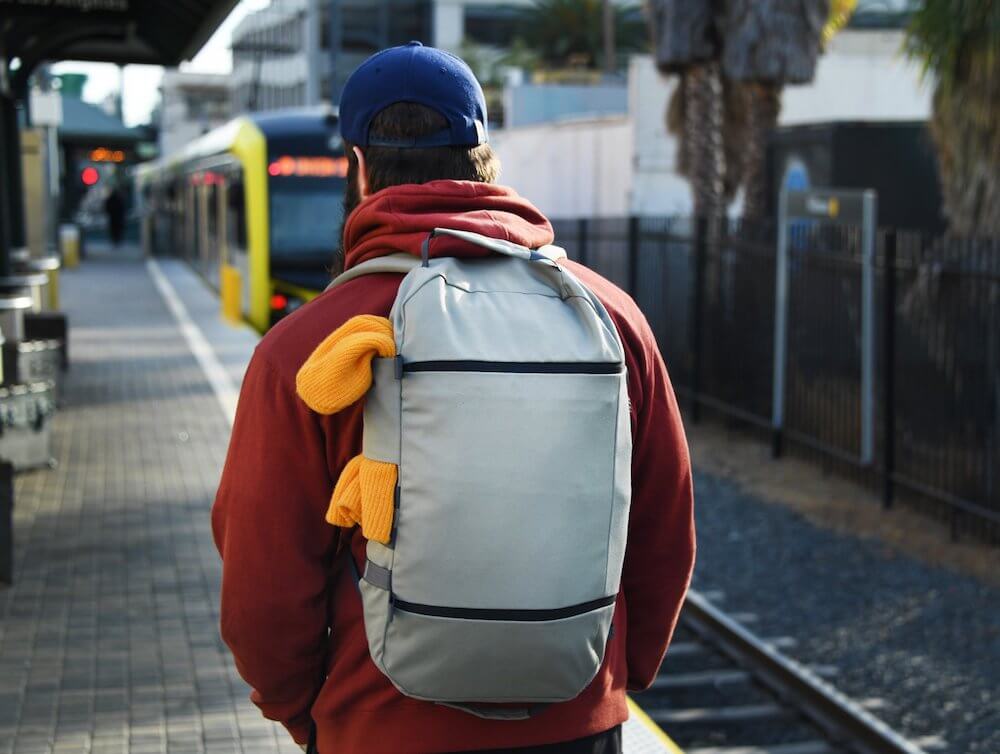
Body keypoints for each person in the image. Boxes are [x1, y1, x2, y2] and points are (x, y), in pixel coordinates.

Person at [212, 42, 695, 754]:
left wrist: (310, 715)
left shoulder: (303, 347)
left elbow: (263, 587)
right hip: (578, 725)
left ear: (359, 167)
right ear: (485, 162)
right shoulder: (609, 319)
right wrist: (611, 678)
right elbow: (665, 537)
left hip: (378, 728)